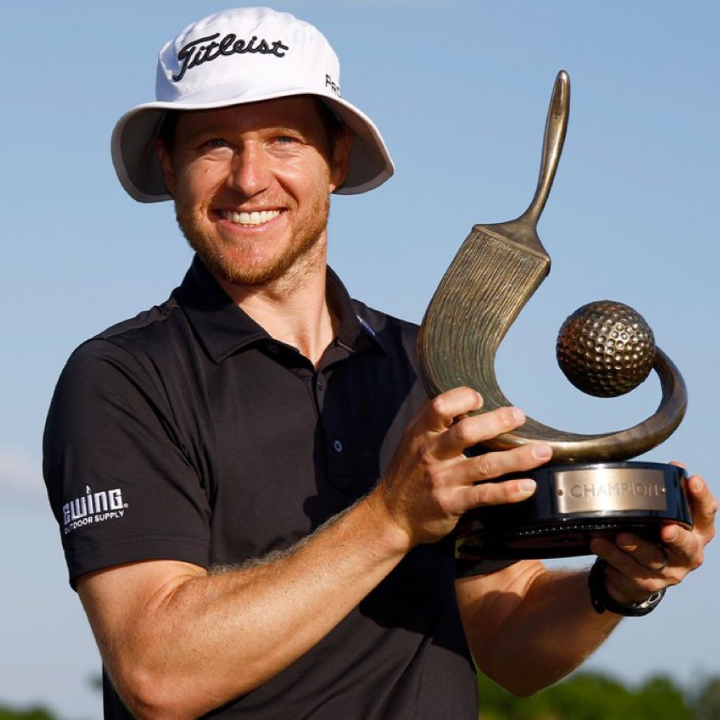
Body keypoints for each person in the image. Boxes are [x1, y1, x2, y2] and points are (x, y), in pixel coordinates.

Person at [43, 8, 716, 720]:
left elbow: (505, 632)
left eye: (283, 139)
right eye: (214, 143)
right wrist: (392, 516)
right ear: (168, 164)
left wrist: (618, 587)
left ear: (335, 159)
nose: (249, 178)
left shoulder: (429, 366)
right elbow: (157, 670)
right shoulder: (119, 378)